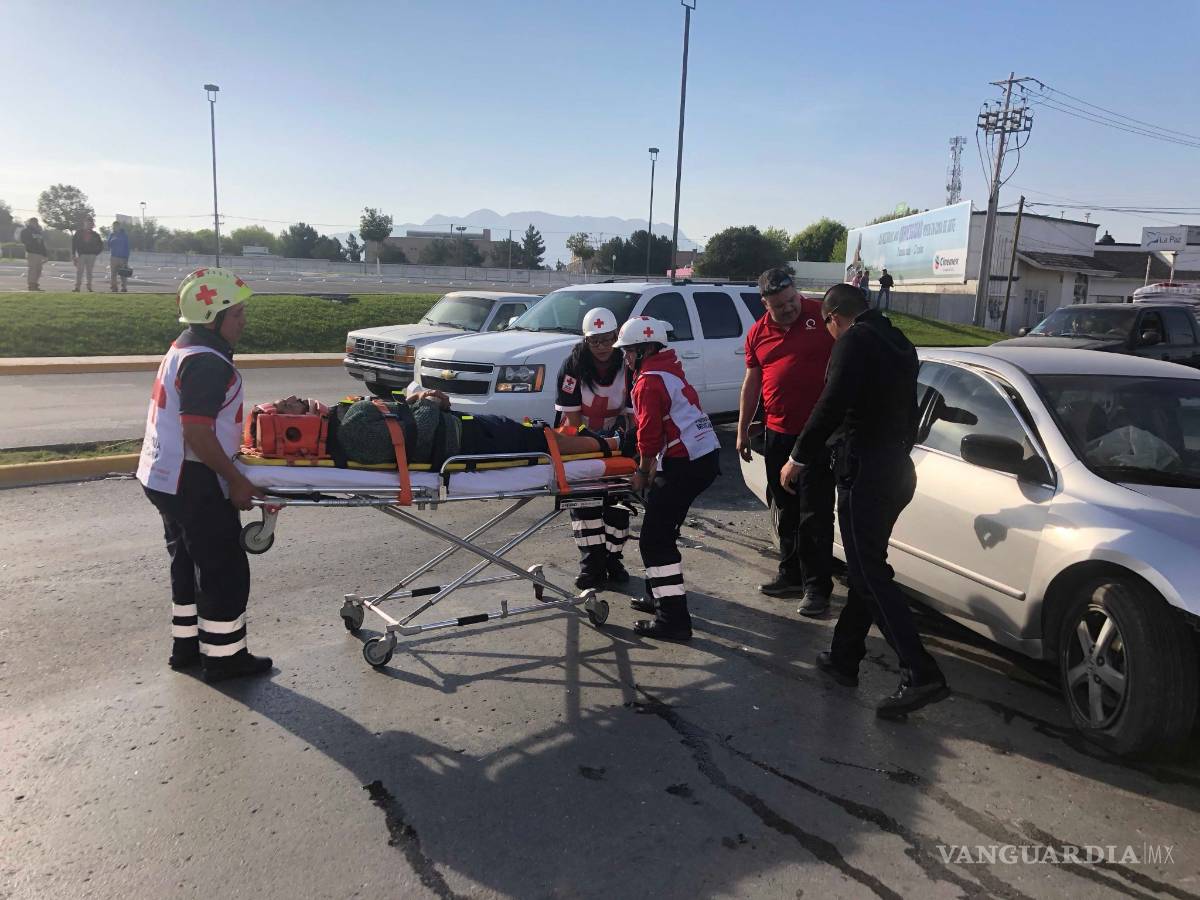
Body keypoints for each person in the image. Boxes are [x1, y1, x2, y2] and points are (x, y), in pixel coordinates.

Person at [781, 283, 949, 719]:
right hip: (896, 468)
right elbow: (910, 410)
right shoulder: (899, 341)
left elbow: (831, 403)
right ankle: (844, 658)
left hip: (866, 470)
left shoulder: (854, 340)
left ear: (834, 317)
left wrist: (798, 456)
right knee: (865, 565)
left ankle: (919, 670)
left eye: (829, 326)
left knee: (869, 571)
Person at [137, 267, 273, 683]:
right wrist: (236, 479)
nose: (244, 321)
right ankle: (225, 658)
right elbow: (197, 431)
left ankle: (188, 648)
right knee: (223, 567)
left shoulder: (182, 348)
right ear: (214, 318)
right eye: (237, 315)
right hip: (191, 479)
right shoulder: (207, 363)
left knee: (186, 561)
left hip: (161, 476)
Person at [736, 268, 835, 616]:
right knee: (786, 508)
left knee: (815, 513)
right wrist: (742, 428)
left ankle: (818, 587)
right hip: (778, 433)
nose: (790, 308)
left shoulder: (823, 316)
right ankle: (790, 573)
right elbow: (752, 381)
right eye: (779, 305)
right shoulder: (757, 333)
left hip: (819, 435)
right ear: (765, 304)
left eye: (792, 300)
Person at [616, 316, 720, 642]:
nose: (626, 358)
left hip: (684, 465)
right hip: (700, 460)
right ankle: (659, 597)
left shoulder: (648, 381)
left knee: (655, 541)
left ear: (645, 349)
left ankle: (673, 620)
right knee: (662, 529)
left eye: (629, 352)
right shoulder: (670, 371)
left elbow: (649, 437)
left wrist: (642, 474)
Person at [554, 307, 634, 589]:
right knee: (585, 503)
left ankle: (613, 559)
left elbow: (631, 414)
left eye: (607, 339)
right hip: (581, 439)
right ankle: (591, 565)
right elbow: (572, 418)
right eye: (594, 340)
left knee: (618, 504)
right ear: (585, 340)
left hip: (618, 439)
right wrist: (593, 442)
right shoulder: (573, 366)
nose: (601, 346)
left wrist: (619, 440)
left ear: (616, 335)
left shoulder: (628, 365)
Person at [334, 389, 620, 466]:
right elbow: (417, 438)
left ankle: (601, 442)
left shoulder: (346, 420)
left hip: (463, 429)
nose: (292, 398)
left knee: (534, 434)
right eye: (288, 406)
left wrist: (418, 398)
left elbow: (398, 421)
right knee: (539, 439)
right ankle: (615, 445)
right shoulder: (353, 432)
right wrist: (430, 404)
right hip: (465, 443)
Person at [71, 217, 102, 292]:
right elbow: (74, 244)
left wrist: (95, 253)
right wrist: (73, 255)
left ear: (92, 224)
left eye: (91, 223)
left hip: (91, 256)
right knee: (79, 271)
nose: (89, 224)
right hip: (81, 255)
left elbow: (100, 245)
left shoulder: (96, 235)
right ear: (84, 223)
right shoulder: (78, 233)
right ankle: (77, 287)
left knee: (89, 272)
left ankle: (89, 287)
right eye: (87, 222)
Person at [20, 218, 47, 291]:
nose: (34, 223)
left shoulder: (38, 231)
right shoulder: (26, 231)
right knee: (33, 269)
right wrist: (30, 245)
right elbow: (24, 240)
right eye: (33, 222)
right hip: (31, 252)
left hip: (39, 253)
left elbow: (42, 244)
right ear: (30, 222)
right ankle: (31, 285)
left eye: (36, 222)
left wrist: (45, 255)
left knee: (39, 269)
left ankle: (35, 283)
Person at [107, 220, 131, 293]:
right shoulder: (111, 235)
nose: (115, 228)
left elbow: (127, 247)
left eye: (116, 226)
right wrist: (112, 240)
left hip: (123, 257)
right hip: (113, 257)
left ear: (119, 227)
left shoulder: (124, 235)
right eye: (114, 226)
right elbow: (108, 245)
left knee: (123, 273)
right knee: (113, 273)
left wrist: (127, 257)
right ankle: (114, 287)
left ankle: (124, 287)